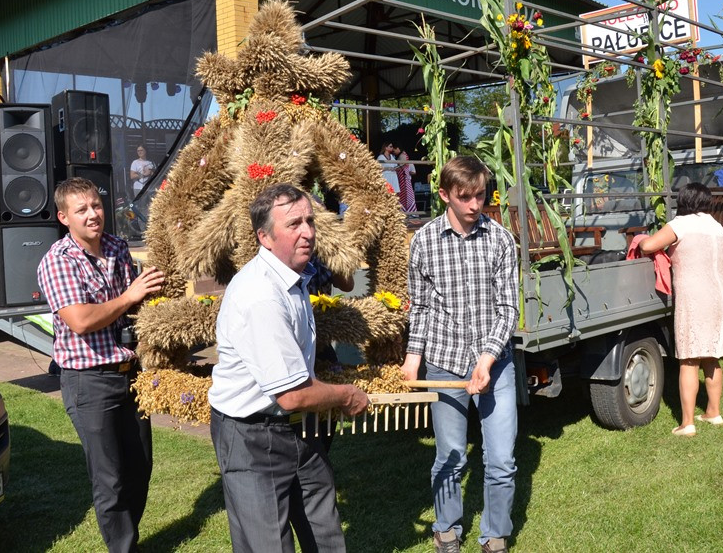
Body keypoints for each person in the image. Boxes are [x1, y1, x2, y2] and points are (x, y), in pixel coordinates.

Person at [208, 183, 369, 553]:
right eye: (294, 224)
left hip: (297, 428)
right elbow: (294, 394)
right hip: (251, 436)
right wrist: (345, 394)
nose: (308, 232)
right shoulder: (260, 295)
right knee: (268, 545)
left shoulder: (295, 277)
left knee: (324, 533)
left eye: (310, 221)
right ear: (264, 237)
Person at [36, 177, 165, 553]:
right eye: (82, 210)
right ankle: (122, 548)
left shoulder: (117, 247)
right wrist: (130, 296)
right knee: (110, 478)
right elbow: (81, 320)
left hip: (131, 376)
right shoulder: (58, 261)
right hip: (88, 381)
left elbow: (134, 306)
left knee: (139, 468)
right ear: (64, 217)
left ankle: (129, 538)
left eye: (96, 205)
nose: (93, 214)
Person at [402, 156, 519, 553]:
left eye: (480, 196)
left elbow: (508, 310)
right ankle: (446, 531)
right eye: (465, 197)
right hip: (445, 363)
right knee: (450, 455)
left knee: (501, 459)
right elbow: (420, 307)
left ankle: (495, 536)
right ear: (444, 195)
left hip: (496, 365)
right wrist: (413, 357)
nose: (475, 205)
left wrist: (486, 360)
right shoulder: (423, 241)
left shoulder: (501, 240)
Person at [638, 182, 723, 436]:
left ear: (684, 200)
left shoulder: (681, 223)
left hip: (696, 295)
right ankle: (714, 412)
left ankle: (687, 422)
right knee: (712, 355)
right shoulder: (716, 225)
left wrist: (641, 238)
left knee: (689, 358)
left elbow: (648, 246)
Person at [393, 144, 418, 213]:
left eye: (394, 150)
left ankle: (410, 212)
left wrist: (394, 169)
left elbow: (402, 165)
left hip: (404, 180)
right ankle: (407, 211)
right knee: (404, 196)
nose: (394, 152)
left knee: (407, 196)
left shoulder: (403, 155)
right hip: (402, 179)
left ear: (398, 148)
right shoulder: (401, 156)